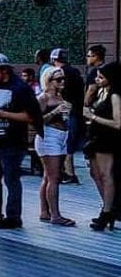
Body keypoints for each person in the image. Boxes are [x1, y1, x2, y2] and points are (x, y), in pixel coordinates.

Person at [0, 53, 41, 230]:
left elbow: (30, 116)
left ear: (4, 70)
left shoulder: (20, 88)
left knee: (11, 178)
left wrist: (2, 114)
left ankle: (14, 216)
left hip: (12, 140)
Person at [83, 62, 120, 231]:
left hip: (107, 139)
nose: (97, 80)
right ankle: (108, 206)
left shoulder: (115, 95)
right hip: (96, 137)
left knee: (106, 175)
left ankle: (107, 211)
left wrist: (93, 116)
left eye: (101, 77)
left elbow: (118, 123)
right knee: (96, 174)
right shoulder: (102, 92)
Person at [35, 68, 74, 226]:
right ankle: (55, 215)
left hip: (61, 136)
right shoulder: (43, 98)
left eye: (63, 79)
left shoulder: (60, 96)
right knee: (54, 177)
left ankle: (45, 211)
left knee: (48, 176)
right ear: (48, 81)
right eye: (58, 80)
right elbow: (37, 121)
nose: (62, 82)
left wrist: (65, 112)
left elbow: (63, 118)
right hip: (48, 136)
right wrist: (56, 111)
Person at [51, 48, 85, 185]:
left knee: (65, 142)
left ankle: (68, 173)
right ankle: (68, 172)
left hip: (65, 111)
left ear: (53, 60)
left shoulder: (59, 73)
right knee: (69, 141)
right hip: (77, 110)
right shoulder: (75, 71)